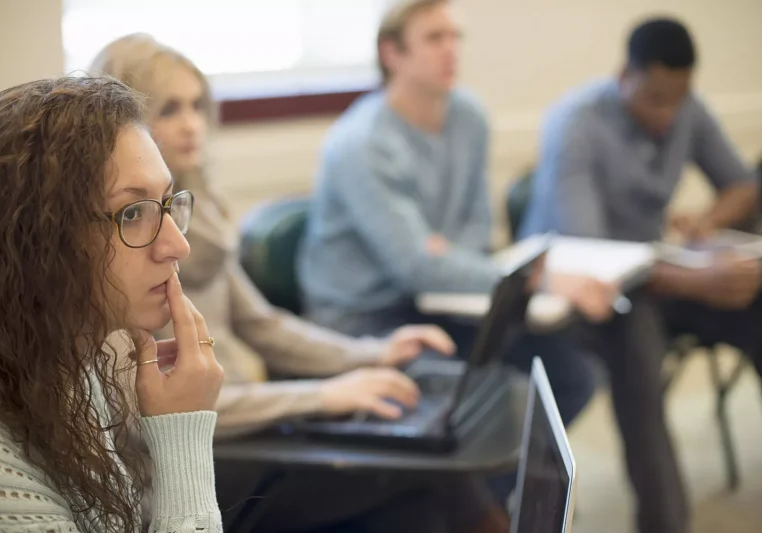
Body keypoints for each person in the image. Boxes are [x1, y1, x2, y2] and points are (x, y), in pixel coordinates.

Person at [89, 34, 510, 533]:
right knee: (421, 478)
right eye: (171, 109)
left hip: (251, 420)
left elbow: (264, 325)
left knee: (422, 456)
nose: (192, 124)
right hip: (198, 451)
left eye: (198, 106)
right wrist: (325, 395)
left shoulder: (199, 220)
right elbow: (164, 403)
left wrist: (372, 353)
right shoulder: (117, 249)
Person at [297, 0, 610, 435]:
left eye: (455, 37)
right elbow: (415, 266)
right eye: (433, 38)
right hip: (367, 316)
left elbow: (478, 228)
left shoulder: (469, 116)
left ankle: (504, 498)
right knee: (467, 401)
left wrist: (438, 253)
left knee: (570, 374)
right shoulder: (362, 143)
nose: (451, 50)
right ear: (392, 54)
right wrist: (539, 278)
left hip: (445, 297)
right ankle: (483, 503)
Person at [519, 17, 762, 533]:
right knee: (637, 349)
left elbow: (743, 186)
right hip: (583, 294)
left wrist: (708, 221)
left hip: (656, 273)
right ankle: (665, 523)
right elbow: (592, 258)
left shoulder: (684, 106)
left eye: (678, 98)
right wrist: (699, 279)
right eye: (655, 98)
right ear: (623, 76)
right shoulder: (576, 123)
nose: (667, 114)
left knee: (760, 303)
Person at [0, 76, 224, 531]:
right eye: (132, 213)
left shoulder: (67, 363)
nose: (176, 246)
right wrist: (183, 432)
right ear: (40, 241)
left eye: (166, 203)